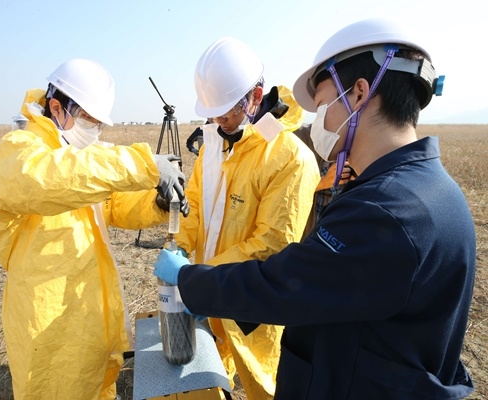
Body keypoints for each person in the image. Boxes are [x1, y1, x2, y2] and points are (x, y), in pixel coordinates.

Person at [154, 18, 476, 399]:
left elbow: (287, 284)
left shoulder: (389, 212)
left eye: (323, 104)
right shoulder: (425, 190)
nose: (317, 119)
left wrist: (192, 283)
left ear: (360, 93)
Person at [0, 58, 189, 400]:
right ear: (56, 107)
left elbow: (110, 207)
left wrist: (155, 204)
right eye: (88, 120)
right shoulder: (20, 151)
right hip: (48, 321)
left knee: (96, 385)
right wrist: (145, 165)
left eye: (99, 124)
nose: (94, 131)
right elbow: (51, 180)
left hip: (88, 308)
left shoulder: (77, 156)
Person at [173, 36, 320, 399]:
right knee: (209, 376)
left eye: (227, 112)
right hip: (209, 289)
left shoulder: (289, 158)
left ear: (255, 97)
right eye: (213, 114)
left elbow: (272, 246)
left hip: (253, 301)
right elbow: (194, 202)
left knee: (264, 383)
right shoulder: (216, 143)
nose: (219, 121)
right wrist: (179, 246)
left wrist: (199, 281)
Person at [293, 122, 354, 235]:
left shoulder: (366, 147)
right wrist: (322, 182)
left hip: (339, 239)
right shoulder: (300, 137)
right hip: (302, 237)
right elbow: (282, 190)